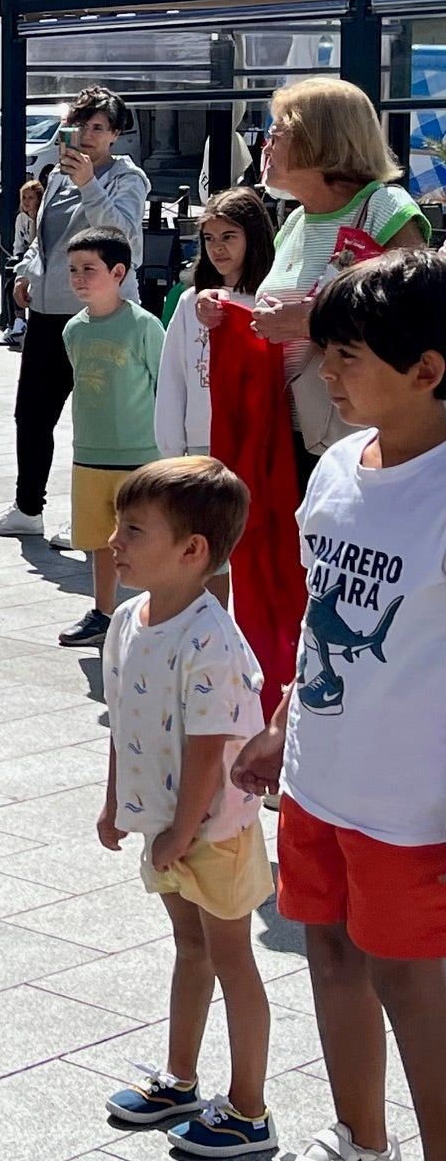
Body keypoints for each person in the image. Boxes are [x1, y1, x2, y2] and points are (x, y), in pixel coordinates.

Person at [232, 250, 446, 1161]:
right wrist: (282, 727)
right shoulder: (337, 468)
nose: (327, 375)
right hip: (319, 784)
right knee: (330, 957)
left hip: (411, 806)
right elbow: (324, 618)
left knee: (411, 982)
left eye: (349, 356)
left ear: (430, 371)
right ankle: (361, 1137)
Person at [97, 458, 275, 1158]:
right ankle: (181, 1078)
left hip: (212, 829)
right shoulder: (128, 618)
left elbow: (210, 750)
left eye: (134, 530)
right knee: (189, 945)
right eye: (118, 524)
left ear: (192, 551)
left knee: (231, 957)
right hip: (165, 824)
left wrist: (179, 830)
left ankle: (251, 1108)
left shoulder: (211, 639)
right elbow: (120, 716)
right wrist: (118, 802)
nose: (114, 540)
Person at [200, 78, 430, 494]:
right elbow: (271, 311)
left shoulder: (384, 207)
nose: (264, 146)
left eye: (276, 134)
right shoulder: (294, 221)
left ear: (318, 139)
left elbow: (415, 313)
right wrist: (219, 303)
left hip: (357, 436)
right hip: (282, 433)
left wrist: (310, 322)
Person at [0, 86, 149, 541]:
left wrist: (89, 184)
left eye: (98, 128)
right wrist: (26, 272)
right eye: (81, 126)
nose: (88, 136)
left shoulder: (126, 179)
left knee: (97, 417)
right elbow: (43, 238)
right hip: (51, 313)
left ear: (115, 134)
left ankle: (95, 515)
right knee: (31, 413)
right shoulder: (55, 175)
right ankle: (27, 506)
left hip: (101, 316)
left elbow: (123, 236)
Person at [155, 190, 276, 604]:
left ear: (254, 237)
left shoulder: (270, 302)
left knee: (254, 547)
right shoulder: (192, 303)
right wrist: (171, 449)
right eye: (209, 238)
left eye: (230, 236)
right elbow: (172, 378)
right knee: (208, 551)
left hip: (255, 443)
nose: (218, 248)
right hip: (202, 445)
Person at [58, 228, 165, 648]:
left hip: (141, 456)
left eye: (90, 269)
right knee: (101, 540)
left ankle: (160, 611)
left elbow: (163, 385)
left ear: (118, 272)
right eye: (73, 270)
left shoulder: (144, 325)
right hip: (89, 454)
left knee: (149, 537)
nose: (80, 277)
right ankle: (102, 612)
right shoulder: (73, 330)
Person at [0, 178, 44, 348]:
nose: (26, 202)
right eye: (24, 198)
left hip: (40, 260)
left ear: (39, 199)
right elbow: (18, 245)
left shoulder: (43, 218)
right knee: (11, 277)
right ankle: (17, 322)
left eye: (31, 198)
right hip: (25, 259)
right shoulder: (21, 219)